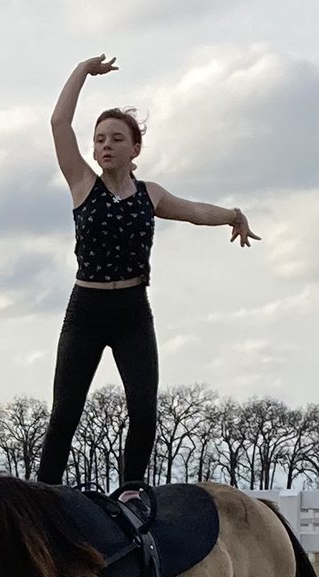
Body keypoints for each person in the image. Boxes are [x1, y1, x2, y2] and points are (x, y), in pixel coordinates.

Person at [36, 55, 260, 508]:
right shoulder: (82, 183)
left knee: (143, 409)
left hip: (133, 312)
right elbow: (60, 122)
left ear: (135, 148)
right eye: (100, 139)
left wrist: (233, 216)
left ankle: (133, 491)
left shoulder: (150, 194)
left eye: (117, 139)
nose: (106, 146)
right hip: (87, 310)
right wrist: (82, 70)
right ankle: (41, 499)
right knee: (65, 414)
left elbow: (196, 212)